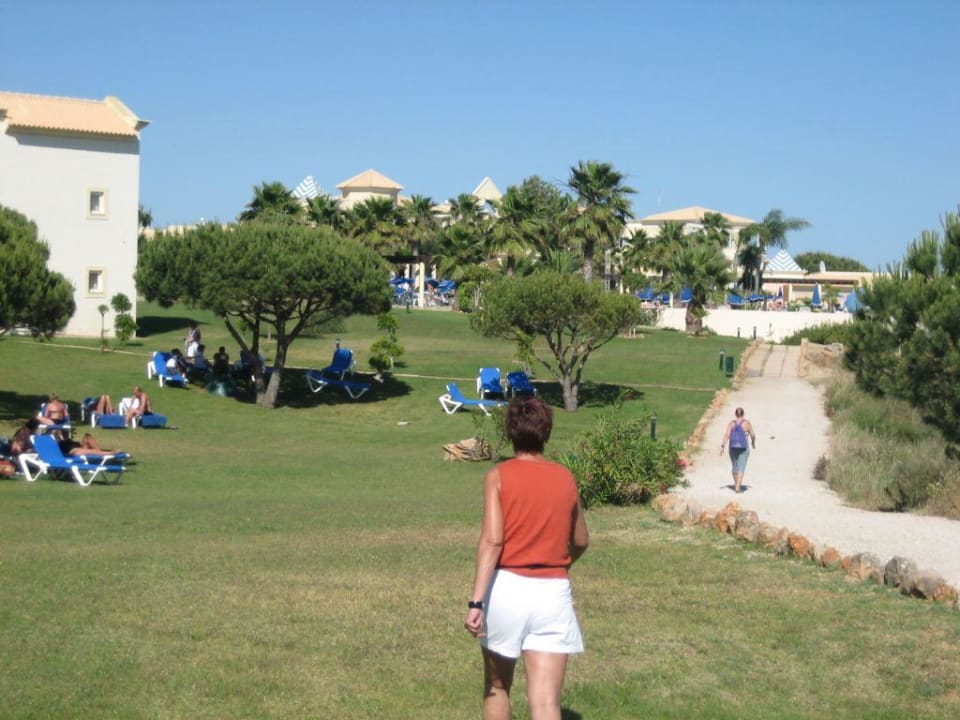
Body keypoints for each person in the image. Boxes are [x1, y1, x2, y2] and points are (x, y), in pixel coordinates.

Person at [464, 396, 589, 720]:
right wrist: (559, 560)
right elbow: (580, 540)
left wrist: (476, 603)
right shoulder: (565, 478)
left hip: (507, 589)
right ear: (545, 432)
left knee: (497, 686)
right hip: (552, 593)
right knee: (546, 703)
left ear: (510, 433)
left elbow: (493, 541)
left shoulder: (498, 476)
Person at [720, 406, 757, 493]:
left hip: (732, 447)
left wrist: (722, 446)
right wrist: (753, 442)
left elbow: (727, 435)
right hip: (743, 447)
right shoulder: (747, 423)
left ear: (735, 414)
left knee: (734, 466)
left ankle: (737, 484)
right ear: (743, 414)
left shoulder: (731, 424)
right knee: (741, 466)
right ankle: (737, 487)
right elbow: (753, 435)